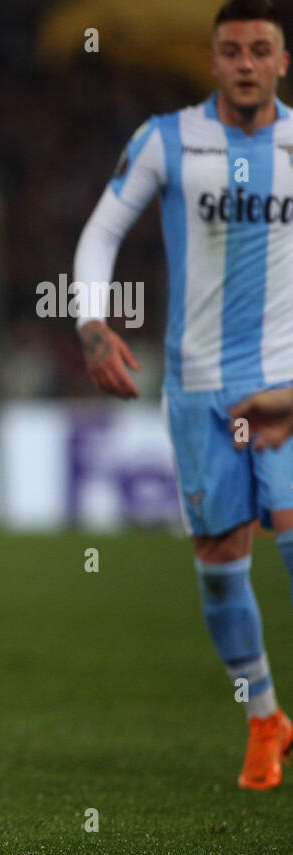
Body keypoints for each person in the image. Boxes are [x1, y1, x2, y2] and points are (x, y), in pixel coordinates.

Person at [74, 0, 293, 788]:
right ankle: (265, 716)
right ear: (214, 61)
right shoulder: (168, 139)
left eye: (259, 49)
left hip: (287, 386)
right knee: (221, 560)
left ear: (281, 61)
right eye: (231, 49)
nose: (244, 62)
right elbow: (102, 231)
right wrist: (91, 324)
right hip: (199, 387)